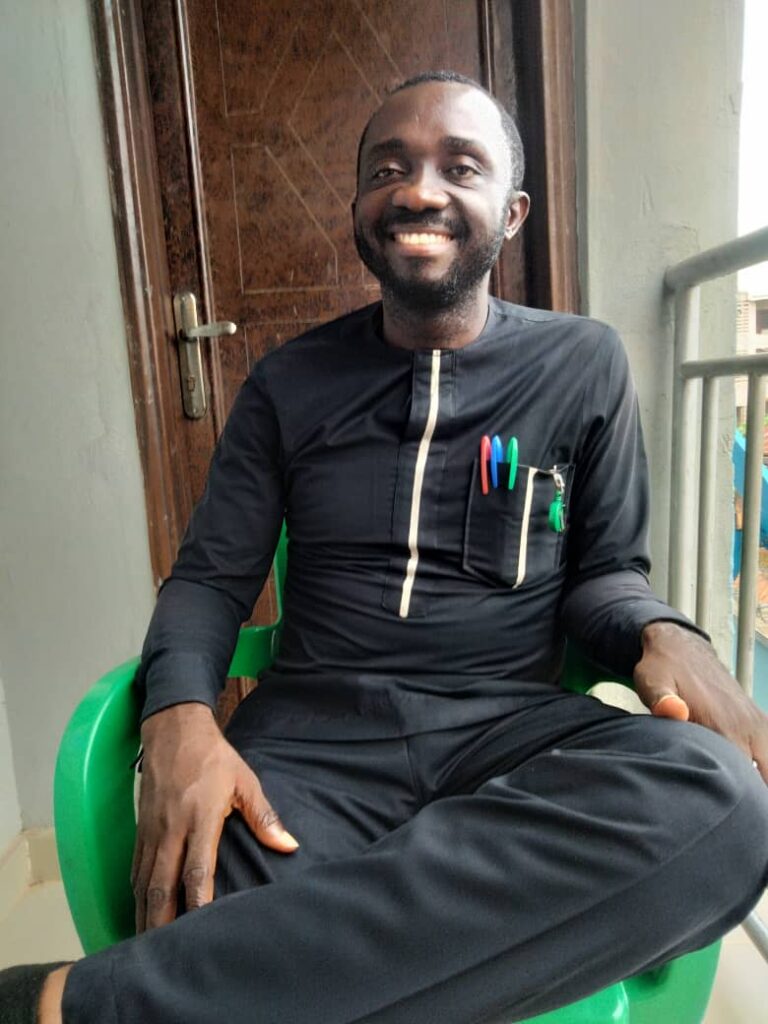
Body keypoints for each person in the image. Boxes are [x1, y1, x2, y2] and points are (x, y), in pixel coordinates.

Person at [5, 70, 768, 1024]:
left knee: (721, 800)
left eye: (461, 167)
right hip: (314, 743)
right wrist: (180, 718)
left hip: (509, 732)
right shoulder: (287, 383)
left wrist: (666, 633)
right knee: (215, 878)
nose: (418, 191)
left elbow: (607, 576)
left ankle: (79, 1006)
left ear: (512, 212)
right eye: (388, 169)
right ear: (361, 209)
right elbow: (209, 579)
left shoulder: (584, 363)